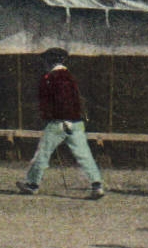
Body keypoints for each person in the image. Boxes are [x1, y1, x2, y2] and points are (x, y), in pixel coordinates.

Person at [15, 48, 106, 199]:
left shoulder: (53, 77)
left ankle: (32, 184)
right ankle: (97, 185)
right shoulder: (69, 77)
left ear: (49, 62)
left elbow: (61, 102)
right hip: (76, 123)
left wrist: (60, 118)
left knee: (42, 153)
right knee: (84, 155)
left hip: (59, 122)